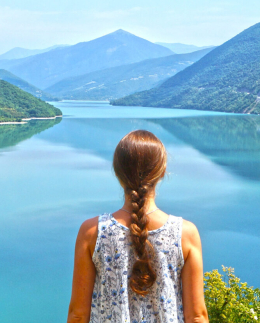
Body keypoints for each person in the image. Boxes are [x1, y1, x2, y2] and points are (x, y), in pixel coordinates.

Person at [67, 130, 208, 323]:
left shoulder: (93, 232)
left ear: (117, 173)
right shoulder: (185, 233)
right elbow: (197, 316)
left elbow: (78, 315)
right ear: (162, 172)